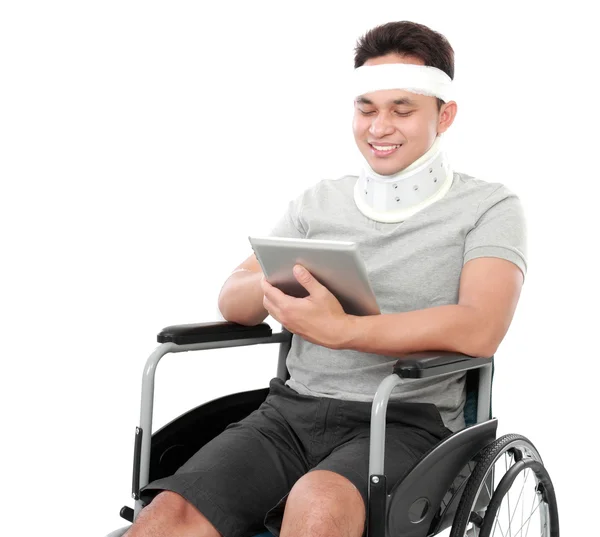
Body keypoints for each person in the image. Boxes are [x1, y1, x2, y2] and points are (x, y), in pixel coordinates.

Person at [126, 20, 526, 537]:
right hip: (289, 413)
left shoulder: (490, 207)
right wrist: (282, 281)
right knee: (168, 517)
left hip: (406, 418)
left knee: (318, 503)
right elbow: (234, 300)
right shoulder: (319, 202)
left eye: (402, 109)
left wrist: (343, 330)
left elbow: (480, 328)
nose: (379, 127)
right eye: (366, 109)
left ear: (444, 115)